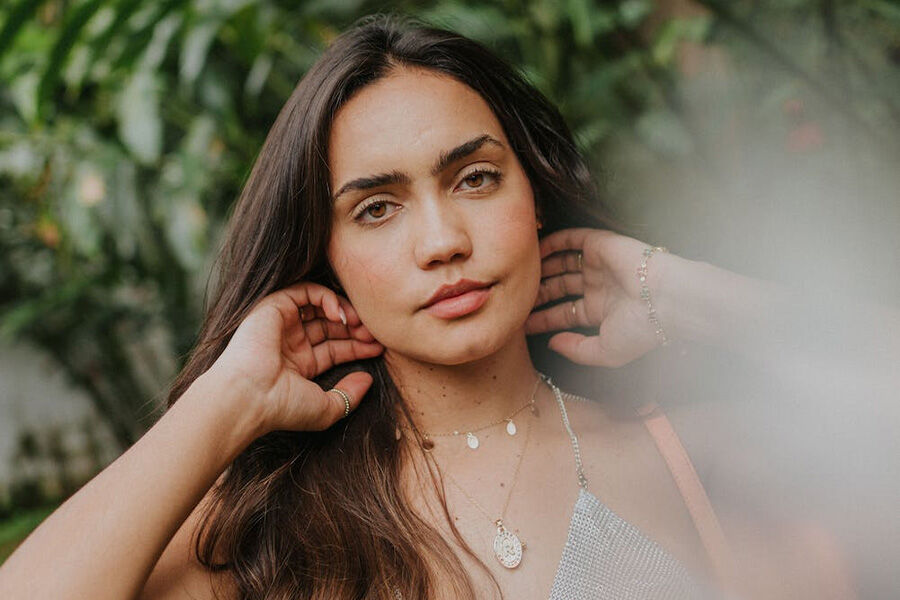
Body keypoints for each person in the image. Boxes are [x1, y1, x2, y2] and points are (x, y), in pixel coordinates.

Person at [0, 12, 889, 600]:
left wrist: (689, 293)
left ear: (533, 197)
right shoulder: (273, 520)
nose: (442, 240)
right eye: (377, 207)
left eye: (475, 178)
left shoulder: (689, 451)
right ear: (327, 254)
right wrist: (226, 402)